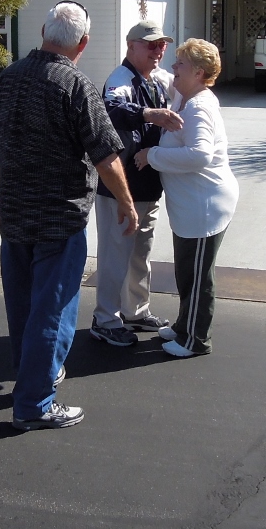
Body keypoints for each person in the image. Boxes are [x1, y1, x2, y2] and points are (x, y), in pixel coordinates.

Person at [0, 1, 138, 430]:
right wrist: (125, 202)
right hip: (58, 221)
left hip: (14, 216)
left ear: (43, 31)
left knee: (24, 306)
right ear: (83, 42)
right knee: (53, 310)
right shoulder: (75, 86)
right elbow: (105, 155)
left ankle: (33, 374)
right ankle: (35, 403)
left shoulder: (7, 78)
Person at [134, 38, 238, 357]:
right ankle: (184, 326)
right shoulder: (186, 96)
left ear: (200, 72)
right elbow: (160, 79)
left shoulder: (198, 106)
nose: (173, 68)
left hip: (204, 207)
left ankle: (196, 340)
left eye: (181, 64)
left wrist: (151, 155)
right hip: (190, 208)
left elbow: (199, 156)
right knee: (186, 271)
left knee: (198, 276)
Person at [90, 19, 184, 347]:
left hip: (147, 185)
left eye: (162, 45)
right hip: (120, 185)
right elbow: (114, 108)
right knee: (116, 254)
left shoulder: (159, 79)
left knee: (140, 253)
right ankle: (105, 319)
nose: (158, 50)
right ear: (131, 46)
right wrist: (150, 114)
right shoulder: (121, 78)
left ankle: (136, 311)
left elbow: (189, 86)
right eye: (151, 44)